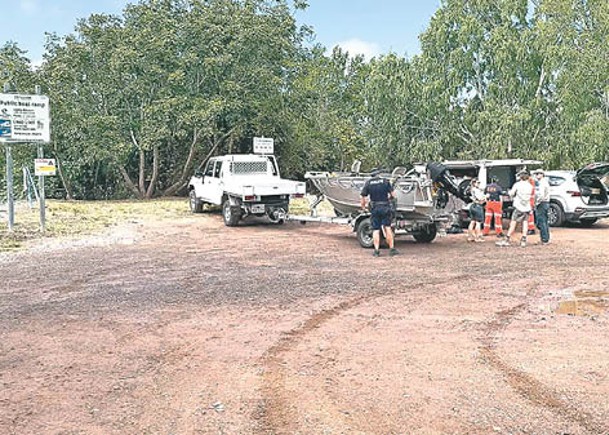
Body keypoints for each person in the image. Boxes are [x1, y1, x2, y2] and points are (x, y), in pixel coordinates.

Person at [360, 169, 398, 257]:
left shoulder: (368, 183)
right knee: (387, 228)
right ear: (379, 174)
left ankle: (376, 251)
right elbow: (393, 195)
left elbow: (362, 196)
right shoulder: (385, 181)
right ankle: (392, 249)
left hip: (375, 208)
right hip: (385, 207)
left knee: (376, 230)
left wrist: (363, 207)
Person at [496, 170, 535, 247]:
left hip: (518, 207)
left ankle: (507, 239)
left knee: (513, 223)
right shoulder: (530, 186)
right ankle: (523, 239)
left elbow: (511, 193)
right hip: (527, 207)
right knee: (525, 223)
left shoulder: (517, 185)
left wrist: (510, 192)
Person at [533, 169, 551, 245]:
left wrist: (536, 202)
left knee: (541, 221)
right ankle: (545, 238)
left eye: (538, 174)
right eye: (536, 174)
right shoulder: (541, 183)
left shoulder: (542, 183)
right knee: (543, 221)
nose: (537, 175)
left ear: (542, 174)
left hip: (542, 203)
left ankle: (544, 239)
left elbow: (541, 195)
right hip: (544, 203)